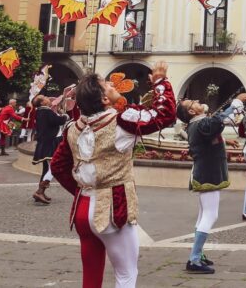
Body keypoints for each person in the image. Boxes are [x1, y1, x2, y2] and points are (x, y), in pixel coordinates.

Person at [50, 62, 175, 288]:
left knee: (91, 276)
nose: (110, 83)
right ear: (105, 100)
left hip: (82, 208)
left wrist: (81, 189)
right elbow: (164, 114)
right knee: (126, 273)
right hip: (112, 209)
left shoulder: (72, 127)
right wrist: (160, 82)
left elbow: (58, 166)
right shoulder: (121, 121)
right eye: (105, 84)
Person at [180, 96, 240, 274]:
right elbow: (213, 124)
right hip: (208, 174)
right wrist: (231, 107)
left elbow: (210, 130)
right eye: (193, 102)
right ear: (192, 112)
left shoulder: (197, 124)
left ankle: (198, 255)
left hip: (206, 172)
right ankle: (195, 259)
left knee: (203, 215)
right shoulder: (200, 124)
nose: (197, 101)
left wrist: (225, 140)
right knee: (210, 215)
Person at [31, 94, 69, 205]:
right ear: (42, 103)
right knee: (53, 167)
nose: (48, 98)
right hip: (50, 143)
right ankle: (40, 191)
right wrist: (65, 116)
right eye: (45, 97)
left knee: (46, 168)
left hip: (44, 142)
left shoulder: (40, 112)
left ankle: (41, 192)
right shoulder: (46, 112)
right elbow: (58, 121)